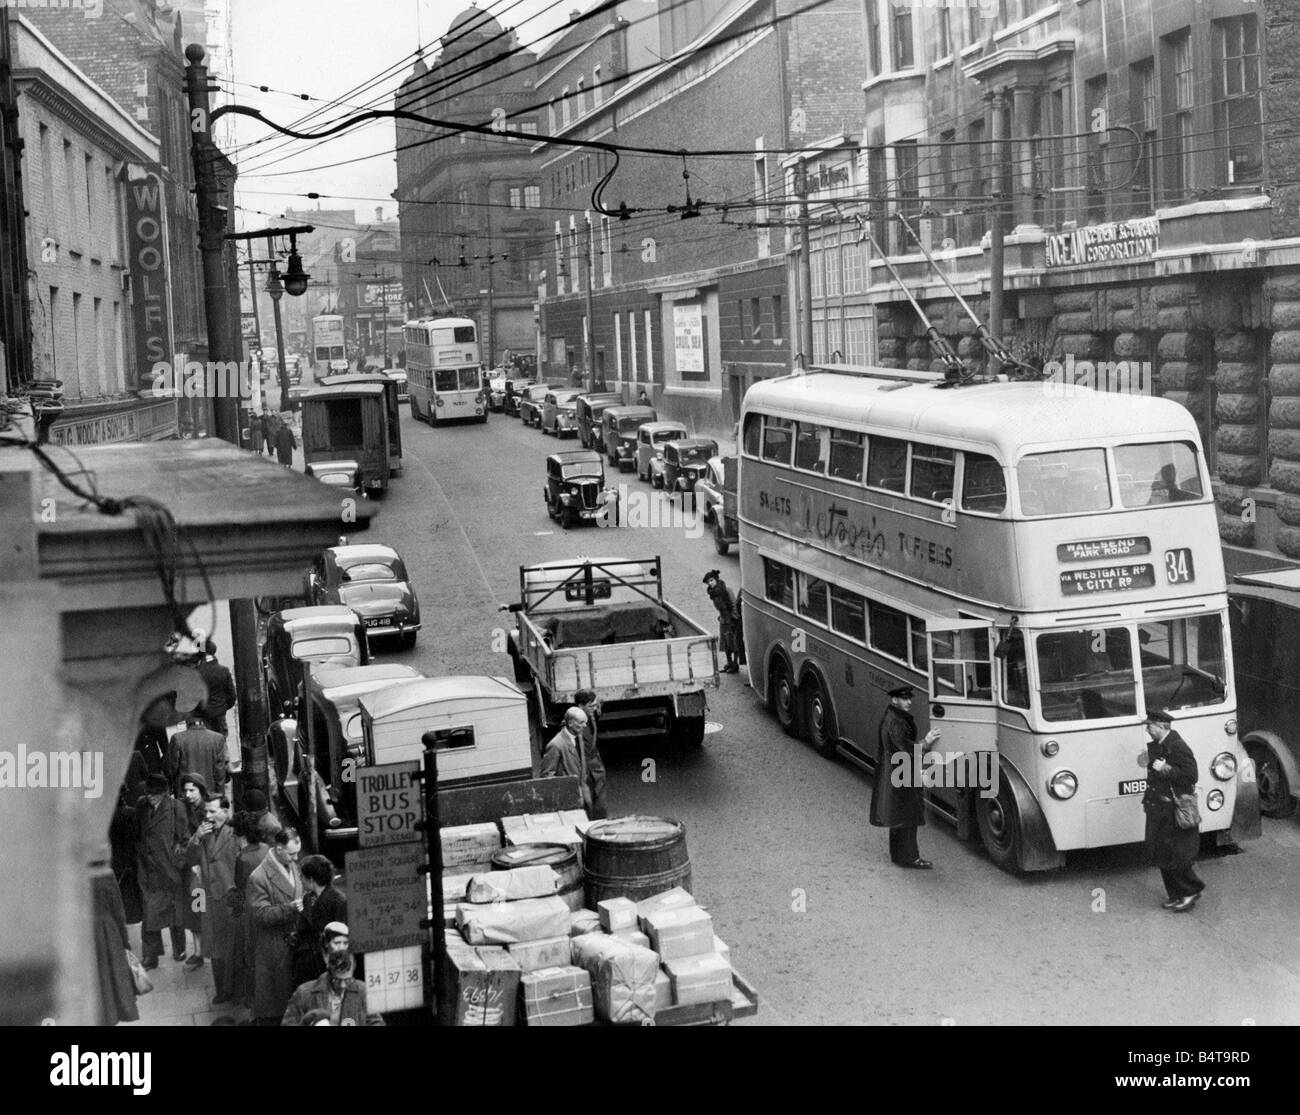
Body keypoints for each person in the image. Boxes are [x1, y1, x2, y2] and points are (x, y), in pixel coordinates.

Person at [869, 685, 941, 869]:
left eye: (909, 698)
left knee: (898, 814)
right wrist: (926, 742)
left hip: (896, 771)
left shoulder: (893, 717)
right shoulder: (895, 721)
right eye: (904, 698)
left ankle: (900, 856)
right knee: (908, 815)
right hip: (901, 773)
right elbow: (905, 747)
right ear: (894, 700)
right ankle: (910, 858)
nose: (908, 702)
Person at [1142, 709, 1205, 911]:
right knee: (1162, 853)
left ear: (1161, 726)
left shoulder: (1178, 747)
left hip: (1173, 810)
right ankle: (1176, 894)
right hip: (1159, 808)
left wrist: (1166, 769)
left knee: (1178, 855)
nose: (1147, 729)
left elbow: (1191, 776)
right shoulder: (1160, 745)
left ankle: (1190, 891)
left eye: (1149, 725)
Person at [247, 827, 305, 1024]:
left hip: (293, 943)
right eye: (292, 854)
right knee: (278, 1002)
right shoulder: (258, 877)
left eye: (297, 853)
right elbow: (260, 914)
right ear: (279, 849)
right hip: (274, 948)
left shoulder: (289, 865)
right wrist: (290, 909)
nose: (296, 858)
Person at [187, 794, 240, 1004]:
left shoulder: (235, 833)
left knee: (234, 945)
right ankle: (222, 990)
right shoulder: (203, 832)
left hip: (232, 897)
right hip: (209, 897)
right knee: (216, 947)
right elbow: (188, 860)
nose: (207, 816)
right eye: (206, 811)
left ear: (226, 812)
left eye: (212, 811)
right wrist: (196, 838)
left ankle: (235, 989)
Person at [133, 772, 189, 969]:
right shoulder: (141, 805)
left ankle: (180, 948)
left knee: (175, 912)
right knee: (149, 912)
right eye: (148, 792)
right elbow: (137, 831)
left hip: (169, 869)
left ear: (165, 793)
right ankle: (151, 956)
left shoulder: (176, 808)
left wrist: (177, 861)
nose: (150, 796)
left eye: (154, 794)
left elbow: (185, 838)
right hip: (148, 869)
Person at [282, 925, 383, 1026]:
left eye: (348, 980)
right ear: (329, 972)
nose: (343, 985)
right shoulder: (304, 994)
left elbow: (377, 1023)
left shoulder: (362, 991)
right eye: (337, 980)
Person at [92, 862, 140, 1025]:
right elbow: (118, 911)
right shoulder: (106, 874)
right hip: (108, 934)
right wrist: (125, 942)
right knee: (110, 984)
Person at [230, 812, 268, 1009]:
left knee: (247, 955)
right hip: (268, 906)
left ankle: (251, 998)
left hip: (250, 912)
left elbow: (240, 888)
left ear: (240, 836)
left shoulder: (243, 859)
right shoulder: (266, 849)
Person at [294, 855, 348, 985]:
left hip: (327, 966)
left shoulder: (338, 901)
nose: (300, 879)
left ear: (311, 879)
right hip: (308, 966)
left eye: (302, 876)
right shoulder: (308, 898)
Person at [177, 773, 209, 968]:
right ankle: (198, 951)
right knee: (195, 911)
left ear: (201, 790)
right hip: (191, 869)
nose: (188, 794)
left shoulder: (210, 810)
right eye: (186, 790)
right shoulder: (182, 810)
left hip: (205, 868)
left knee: (204, 910)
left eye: (192, 790)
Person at [540, 707, 589, 808]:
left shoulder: (577, 736)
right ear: (570, 723)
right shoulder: (556, 745)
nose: (585, 725)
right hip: (567, 798)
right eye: (581, 722)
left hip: (581, 791)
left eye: (585, 722)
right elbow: (547, 776)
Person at [166, 718, 228, 795]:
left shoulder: (177, 738)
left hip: (185, 793)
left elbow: (170, 768)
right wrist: (220, 795)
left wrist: (171, 787)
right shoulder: (218, 738)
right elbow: (220, 772)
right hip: (209, 792)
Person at [572, 689, 608, 819]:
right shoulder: (574, 727)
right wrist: (581, 781)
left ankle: (601, 825)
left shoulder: (590, 717)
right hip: (585, 770)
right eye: (590, 706)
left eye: (594, 705)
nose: (593, 708)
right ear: (580, 706)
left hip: (596, 767)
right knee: (588, 805)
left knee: (600, 804)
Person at [195, 639, 238, 736]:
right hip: (220, 713)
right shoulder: (223, 670)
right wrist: (224, 707)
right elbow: (232, 695)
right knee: (221, 742)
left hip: (203, 715)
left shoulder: (196, 672)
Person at [703, 570, 740, 673]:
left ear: (716, 579)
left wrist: (733, 619)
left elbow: (733, 605)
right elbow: (721, 608)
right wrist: (721, 617)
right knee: (725, 642)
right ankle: (729, 663)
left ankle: (735, 664)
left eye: (711, 580)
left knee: (734, 642)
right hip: (723, 620)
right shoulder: (714, 594)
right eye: (708, 582)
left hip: (732, 620)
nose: (710, 583)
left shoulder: (727, 590)